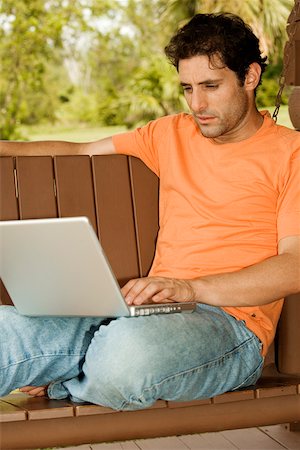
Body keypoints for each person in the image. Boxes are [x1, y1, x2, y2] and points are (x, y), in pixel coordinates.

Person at [0, 13, 299, 411]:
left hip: (230, 328)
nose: (197, 104)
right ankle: (79, 369)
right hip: (141, 312)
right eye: (187, 88)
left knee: (126, 356)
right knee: (6, 331)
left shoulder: (291, 154)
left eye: (211, 86)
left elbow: (294, 264)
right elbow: (78, 151)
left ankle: (62, 378)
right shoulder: (169, 134)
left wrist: (191, 289)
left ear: (250, 77)